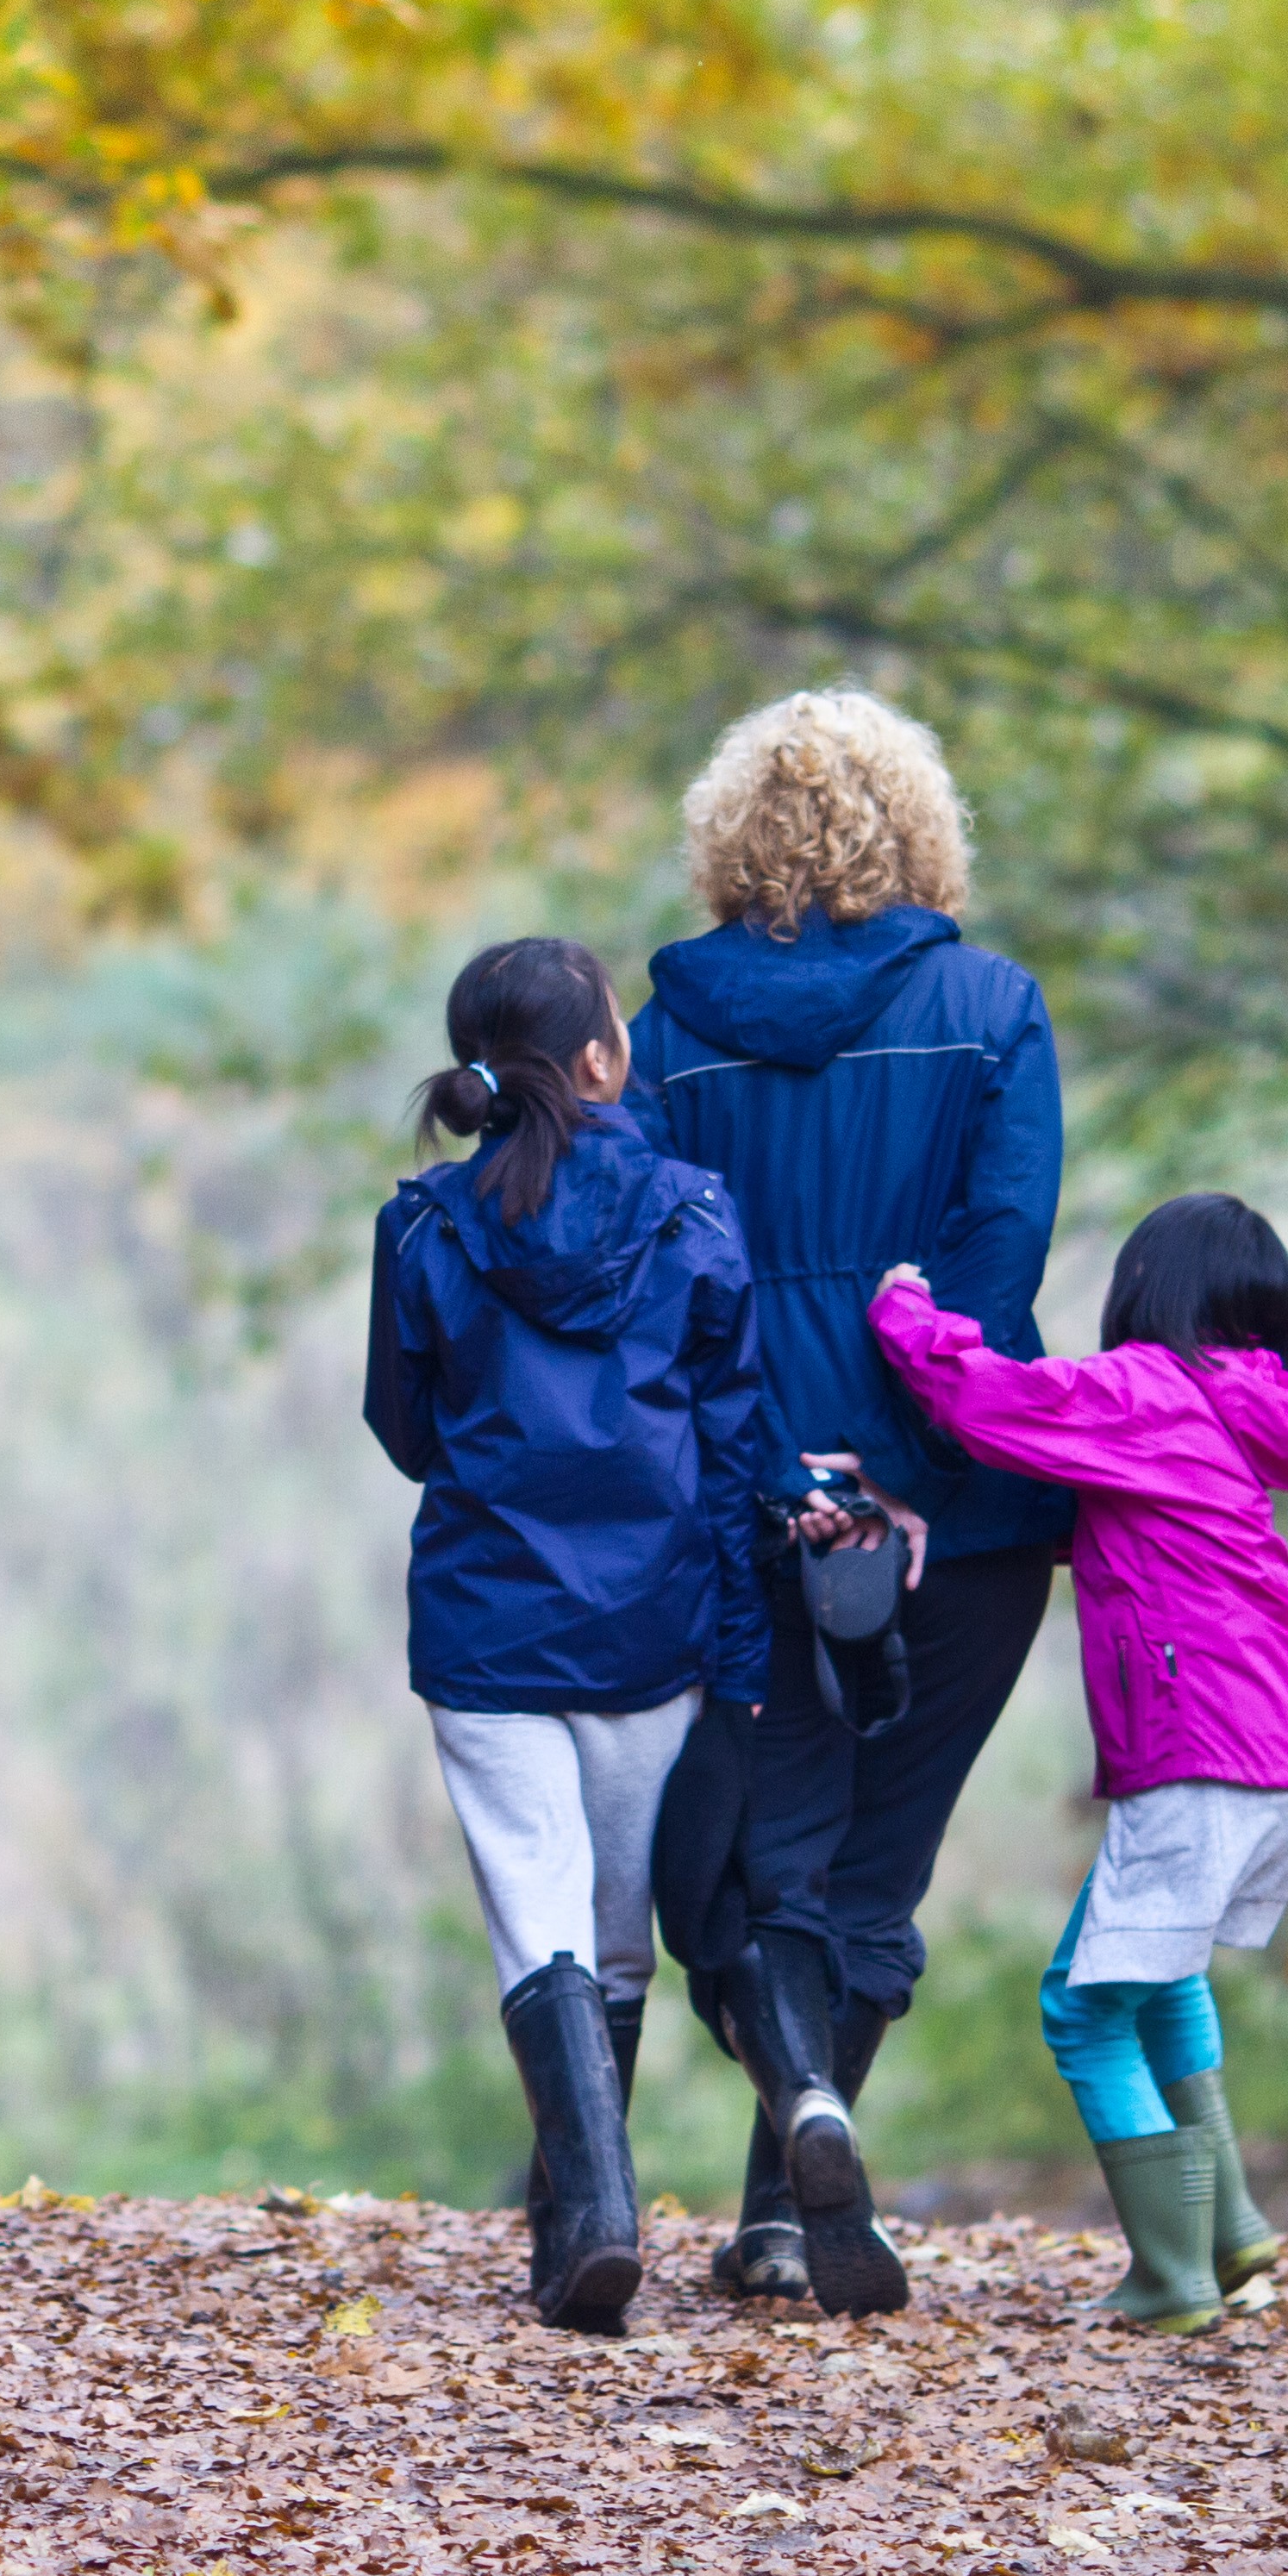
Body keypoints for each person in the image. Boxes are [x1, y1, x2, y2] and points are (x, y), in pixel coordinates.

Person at [629, 689, 1069, 2319]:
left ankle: (785, 2178)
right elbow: (1001, 1247)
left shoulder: (659, 1037)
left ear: (727, 834)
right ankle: (786, 2207)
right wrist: (908, 1449)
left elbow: (658, 1272)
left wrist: (791, 1468)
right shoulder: (992, 1005)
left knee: (775, 1851)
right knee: (883, 1857)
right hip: (967, 1494)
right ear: (919, 823)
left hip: (750, 1497)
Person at [364, 935, 774, 2332]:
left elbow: (404, 1429)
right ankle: (585, 2222)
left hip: (487, 1622)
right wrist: (741, 1645)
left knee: (532, 1917)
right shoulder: (694, 1213)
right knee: (612, 1946)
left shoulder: (422, 1229)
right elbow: (736, 1444)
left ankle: (587, 2220)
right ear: (603, 1057)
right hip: (647, 1631)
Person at [866, 1196, 1288, 2337]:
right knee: (1163, 1980)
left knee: (1081, 2010)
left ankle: (1171, 2279)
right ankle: (1230, 2234)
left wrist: (903, 1308)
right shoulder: (1246, 1413)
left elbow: (992, 1400)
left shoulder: (1145, 1391)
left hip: (1202, 1749)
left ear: (1150, 1292)